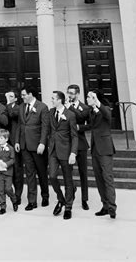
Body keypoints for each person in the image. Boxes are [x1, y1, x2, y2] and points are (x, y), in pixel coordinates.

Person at [15, 86, 50, 210]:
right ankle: (32, 201)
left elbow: (45, 127)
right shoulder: (21, 107)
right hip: (24, 145)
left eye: (24, 95)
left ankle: (45, 196)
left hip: (37, 145)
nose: (22, 97)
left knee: (41, 172)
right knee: (29, 173)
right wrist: (17, 141)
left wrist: (42, 143)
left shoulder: (42, 107)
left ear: (31, 94)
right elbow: (20, 125)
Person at [47, 90, 78, 220]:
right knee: (52, 176)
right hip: (53, 150)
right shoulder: (51, 112)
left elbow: (74, 136)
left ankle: (68, 207)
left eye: (53, 98)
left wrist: (73, 153)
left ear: (60, 100)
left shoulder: (70, 115)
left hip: (66, 151)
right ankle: (61, 199)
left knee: (67, 180)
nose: (52, 100)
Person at [86, 89, 117, 219]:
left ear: (95, 99)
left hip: (105, 149)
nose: (87, 99)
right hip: (95, 150)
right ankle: (104, 205)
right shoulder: (91, 112)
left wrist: (97, 102)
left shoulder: (106, 109)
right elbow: (90, 126)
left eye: (89, 97)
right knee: (99, 179)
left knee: (107, 178)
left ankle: (112, 207)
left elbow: (108, 116)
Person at [66, 83, 90, 209]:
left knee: (83, 172)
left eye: (72, 93)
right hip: (68, 144)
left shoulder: (84, 107)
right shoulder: (64, 106)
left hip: (80, 143)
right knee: (68, 171)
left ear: (77, 94)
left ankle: (84, 199)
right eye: (68, 92)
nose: (69, 95)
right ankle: (72, 190)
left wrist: (79, 127)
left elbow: (83, 119)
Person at [0, 129, 18, 215]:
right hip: (0, 173)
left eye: (1, 138)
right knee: (0, 190)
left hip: (8, 173)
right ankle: (3, 206)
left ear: (6, 139)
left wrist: (6, 164)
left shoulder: (10, 148)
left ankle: (14, 200)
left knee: (8, 188)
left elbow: (13, 159)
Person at [5, 89, 24, 205]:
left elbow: (11, 114)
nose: (10, 98)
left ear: (16, 99)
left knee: (17, 170)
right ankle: (10, 193)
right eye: (9, 96)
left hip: (15, 142)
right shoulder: (6, 106)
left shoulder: (18, 107)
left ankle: (18, 195)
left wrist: (7, 103)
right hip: (6, 142)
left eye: (12, 96)